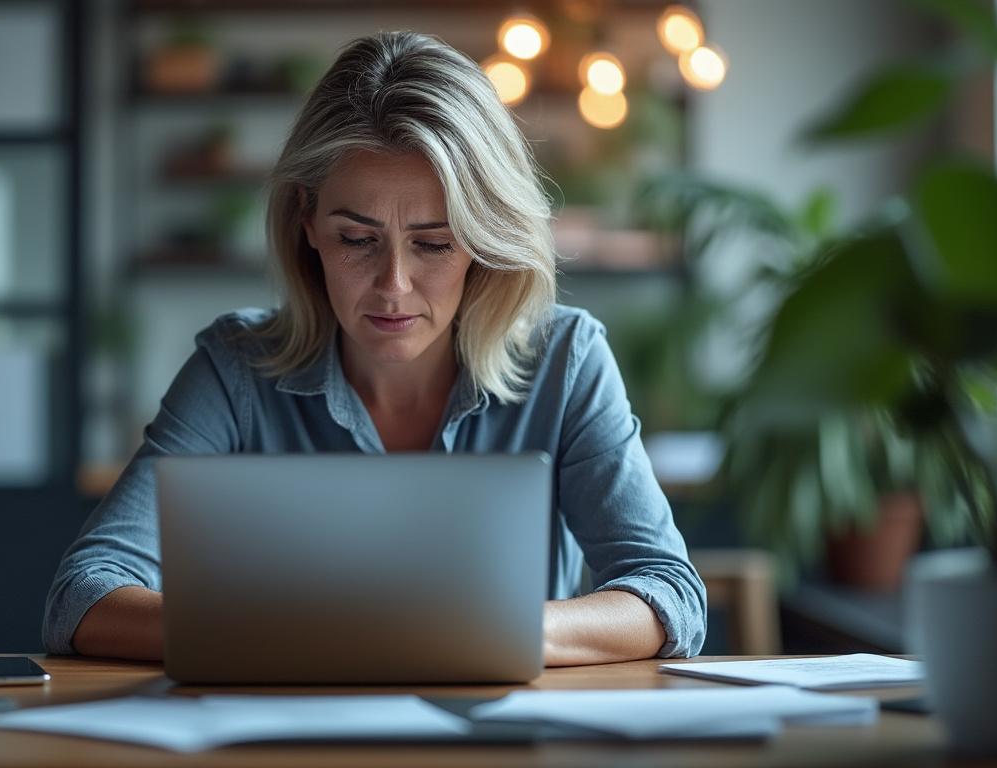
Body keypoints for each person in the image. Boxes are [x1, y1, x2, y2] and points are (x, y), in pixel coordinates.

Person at [45, 31, 706, 665]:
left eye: (435, 243)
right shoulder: (235, 370)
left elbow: (670, 595)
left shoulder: (566, 361)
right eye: (358, 240)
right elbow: (82, 598)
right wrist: (314, 636)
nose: (393, 286)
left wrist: (501, 628)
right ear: (306, 222)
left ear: (485, 238)